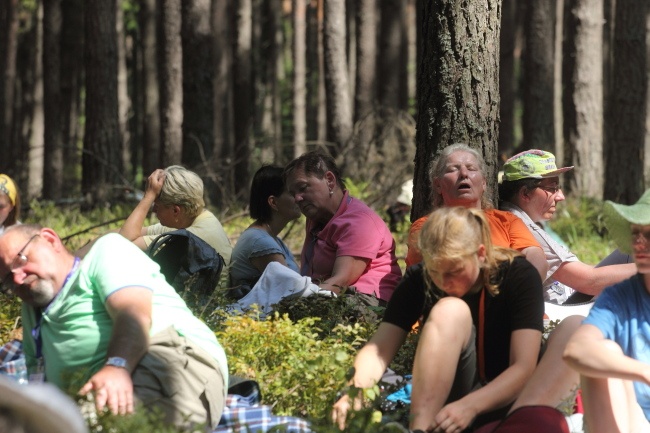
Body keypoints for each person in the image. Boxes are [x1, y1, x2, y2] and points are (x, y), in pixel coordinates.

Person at [333, 206, 545, 430]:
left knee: (571, 329)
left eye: (454, 271)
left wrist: (470, 406)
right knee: (450, 309)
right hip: (453, 400)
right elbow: (379, 350)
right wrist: (352, 394)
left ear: (481, 254)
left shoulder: (518, 275)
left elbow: (523, 366)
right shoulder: (419, 279)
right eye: (435, 271)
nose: (444, 282)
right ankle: (421, 429)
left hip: (512, 399)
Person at [0, 224, 228, 429]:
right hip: (98, 393)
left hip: (165, 354)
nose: (18, 278)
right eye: (9, 278)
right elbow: (38, 382)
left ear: (50, 239)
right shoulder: (32, 311)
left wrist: (117, 366)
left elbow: (133, 313)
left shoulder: (106, 251)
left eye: (21, 259)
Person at [499, 149, 636, 304]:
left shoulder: (518, 217)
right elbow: (588, 282)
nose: (561, 196)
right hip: (565, 312)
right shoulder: (518, 224)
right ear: (525, 193)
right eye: (552, 188)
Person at [563, 189, 650, 433]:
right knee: (604, 352)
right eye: (636, 234)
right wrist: (644, 372)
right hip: (633, 419)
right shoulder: (620, 296)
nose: (639, 243)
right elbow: (576, 349)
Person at [405, 144, 548, 281]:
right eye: (452, 169)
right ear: (438, 185)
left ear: (484, 183)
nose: (463, 174)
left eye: (471, 168)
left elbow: (534, 255)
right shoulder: (425, 226)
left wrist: (517, 289)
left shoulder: (507, 221)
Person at [283, 151, 402, 305]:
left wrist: (295, 304)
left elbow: (341, 280)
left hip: (368, 302)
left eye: (303, 187)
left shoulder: (359, 221)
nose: (297, 198)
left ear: (329, 180)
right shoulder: (315, 218)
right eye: (293, 193)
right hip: (333, 297)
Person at [118, 165, 232, 264]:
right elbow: (124, 233)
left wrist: (148, 197)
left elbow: (121, 244)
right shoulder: (200, 217)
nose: (153, 211)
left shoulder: (189, 238)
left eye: (157, 206)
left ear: (175, 211)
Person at [229, 165, 302, 294]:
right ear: (273, 202)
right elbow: (293, 291)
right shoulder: (260, 242)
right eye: (292, 193)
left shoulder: (268, 238)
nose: (299, 198)